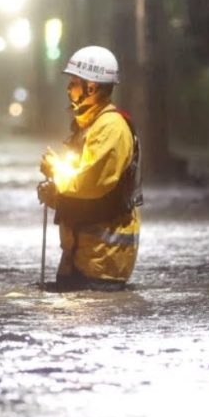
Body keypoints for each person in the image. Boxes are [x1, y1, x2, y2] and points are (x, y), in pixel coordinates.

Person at [36, 45, 143, 291]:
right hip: (82, 259)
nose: (67, 88)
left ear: (91, 87)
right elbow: (82, 194)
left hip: (102, 263)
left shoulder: (111, 127)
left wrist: (55, 172)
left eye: (73, 82)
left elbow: (89, 185)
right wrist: (55, 195)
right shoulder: (91, 126)